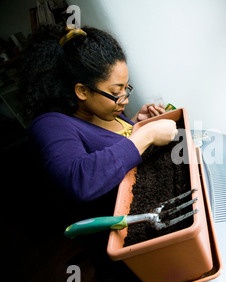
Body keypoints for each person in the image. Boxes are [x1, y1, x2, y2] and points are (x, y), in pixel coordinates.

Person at [22, 25, 178, 217]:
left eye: (126, 88)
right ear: (82, 91)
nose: (125, 99)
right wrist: (147, 134)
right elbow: (79, 180)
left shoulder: (100, 110)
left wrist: (136, 123)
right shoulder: (49, 126)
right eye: (115, 92)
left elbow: (107, 144)